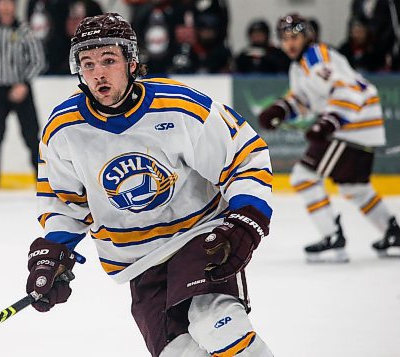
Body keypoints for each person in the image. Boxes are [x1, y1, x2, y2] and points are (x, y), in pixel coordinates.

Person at [25, 13, 274, 357]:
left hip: (200, 237)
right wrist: (52, 253)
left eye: (108, 60)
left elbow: (244, 155)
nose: (98, 72)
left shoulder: (178, 106)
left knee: (218, 326)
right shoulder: (64, 130)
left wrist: (247, 216)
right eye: (87, 63)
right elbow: (63, 202)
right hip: (137, 262)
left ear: (131, 62)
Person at [258, 13, 400, 262]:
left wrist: (330, 122)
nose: (289, 43)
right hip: (356, 125)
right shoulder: (299, 65)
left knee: (304, 177)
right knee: (354, 187)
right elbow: (305, 100)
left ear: (307, 36)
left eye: (295, 37)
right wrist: (281, 109)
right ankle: (393, 232)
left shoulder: (317, 57)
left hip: (353, 125)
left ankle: (332, 236)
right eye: (284, 38)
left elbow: (348, 90)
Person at [0, 0, 45, 193]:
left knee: (31, 137)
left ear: (14, 6)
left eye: (9, 3)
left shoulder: (24, 30)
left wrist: (24, 83)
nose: (5, 7)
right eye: (2, 3)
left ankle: (41, 178)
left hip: (21, 89)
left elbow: (38, 60)